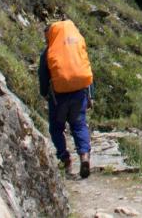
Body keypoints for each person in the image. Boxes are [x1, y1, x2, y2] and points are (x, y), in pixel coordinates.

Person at [38, 18, 94, 178]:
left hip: (58, 97)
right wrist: (91, 96)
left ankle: (65, 159)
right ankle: (84, 156)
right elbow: (87, 70)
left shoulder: (48, 52)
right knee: (79, 125)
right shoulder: (77, 48)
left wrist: (44, 94)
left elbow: (43, 76)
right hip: (79, 94)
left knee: (56, 128)